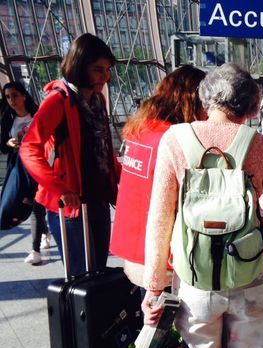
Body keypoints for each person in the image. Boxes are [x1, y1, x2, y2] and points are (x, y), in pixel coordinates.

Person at [141, 63, 263, 348]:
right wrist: (251, 211)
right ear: (253, 106)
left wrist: (154, 288)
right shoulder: (258, 145)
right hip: (250, 274)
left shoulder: (175, 140)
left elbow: (159, 217)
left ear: (205, 99)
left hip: (195, 281)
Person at [20, 33, 121, 276]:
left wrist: (121, 182)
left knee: (97, 273)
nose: (104, 77)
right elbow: (29, 148)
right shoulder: (57, 101)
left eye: (107, 70)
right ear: (79, 65)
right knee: (81, 276)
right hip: (71, 205)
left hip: (97, 199)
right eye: (99, 70)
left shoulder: (98, 100)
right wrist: (60, 189)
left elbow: (104, 150)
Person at [110, 65, 206, 288]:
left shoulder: (141, 130)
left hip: (132, 247)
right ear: (192, 100)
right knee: (165, 319)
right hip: (160, 255)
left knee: (148, 315)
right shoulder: (172, 139)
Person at [0, 82, 50, 264]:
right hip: (18, 168)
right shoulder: (8, 119)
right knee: (19, 202)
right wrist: (8, 144)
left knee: (37, 205)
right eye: (7, 97)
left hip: (37, 165)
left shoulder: (37, 116)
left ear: (23, 96)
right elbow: (2, 145)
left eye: (14, 95)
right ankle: (44, 232)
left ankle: (35, 250)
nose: (11, 100)